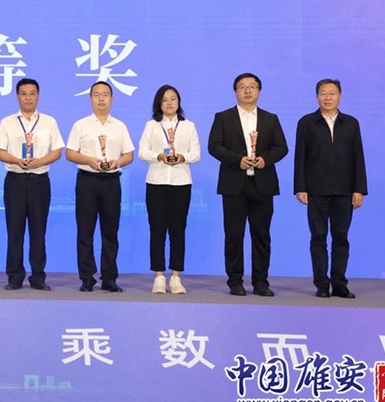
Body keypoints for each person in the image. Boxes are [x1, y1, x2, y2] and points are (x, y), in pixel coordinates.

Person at [208, 73, 288, 297]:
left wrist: (265, 159)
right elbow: (214, 146)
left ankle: (261, 282)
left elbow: (282, 147)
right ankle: (235, 281)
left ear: (259, 91)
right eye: (242, 87)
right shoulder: (223, 117)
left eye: (252, 86)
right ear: (235, 91)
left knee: (262, 235)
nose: (247, 91)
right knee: (234, 235)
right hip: (234, 184)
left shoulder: (270, 118)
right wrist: (237, 160)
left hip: (263, 184)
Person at [294, 79, 367, 299]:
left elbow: (358, 157)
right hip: (316, 190)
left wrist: (359, 189)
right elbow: (300, 157)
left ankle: (339, 283)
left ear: (340, 96)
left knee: (341, 238)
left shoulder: (351, 123)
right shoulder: (307, 122)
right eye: (323, 93)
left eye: (332, 93)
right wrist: (300, 187)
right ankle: (322, 284)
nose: (327, 97)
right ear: (317, 97)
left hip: (345, 190)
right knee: (318, 238)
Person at [0, 78, 64, 291]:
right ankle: (14, 277)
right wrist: (16, 160)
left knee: (38, 231)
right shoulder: (7, 122)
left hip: (39, 181)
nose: (28, 98)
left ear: (38, 96)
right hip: (15, 181)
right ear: (17, 97)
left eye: (32, 93)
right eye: (24, 94)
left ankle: (38, 277)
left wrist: (40, 161)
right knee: (14, 230)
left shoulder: (49, 122)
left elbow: (57, 151)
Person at [65, 81, 134, 293]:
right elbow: (70, 153)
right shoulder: (81, 125)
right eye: (97, 95)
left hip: (111, 181)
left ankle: (109, 278)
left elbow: (129, 155)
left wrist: (117, 162)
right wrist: (88, 160)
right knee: (85, 231)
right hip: (87, 181)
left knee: (110, 232)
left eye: (105, 94)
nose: (101, 99)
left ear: (112, 99)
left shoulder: (120, 126)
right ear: (90, 99)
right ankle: (87, 278)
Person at [137, 85, 200, 295]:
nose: (169, 103)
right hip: (156, 182)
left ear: (179, 102)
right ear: (159, 103)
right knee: (157, 230)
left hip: (181, 183)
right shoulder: (151, 126)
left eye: (173, 99)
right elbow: (142, 152)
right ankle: (158, 276)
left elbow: (196, 153)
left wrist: (183, 157)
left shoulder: (189, 126)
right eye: (165, 100)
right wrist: (158, 156)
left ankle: (175, 277)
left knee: (178, 230)